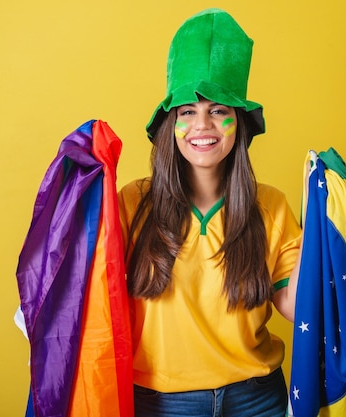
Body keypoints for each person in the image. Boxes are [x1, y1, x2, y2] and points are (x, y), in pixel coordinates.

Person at [117, 8, 302, 417]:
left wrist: (328, 231)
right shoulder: (131, 203)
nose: (204, 125)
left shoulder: (270, 205)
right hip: (159, 404)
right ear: (170, 125)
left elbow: (294, 306)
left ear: (239, 124)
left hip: (256, 399)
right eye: (187, 112)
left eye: (219, 111)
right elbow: (90, 286)